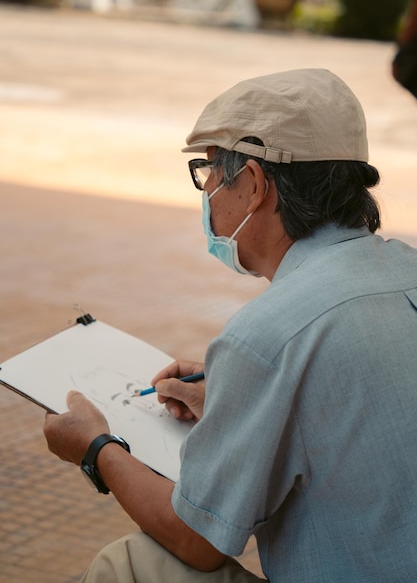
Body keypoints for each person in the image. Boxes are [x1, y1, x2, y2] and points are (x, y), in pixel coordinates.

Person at [44, 69, 417, 583]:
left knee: (133, 563)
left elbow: (196, 540)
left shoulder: (268, 334)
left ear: (256, 185)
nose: (208, 191)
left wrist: (95, 448)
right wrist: (235, 398)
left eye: (211, 171)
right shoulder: (407, 269)